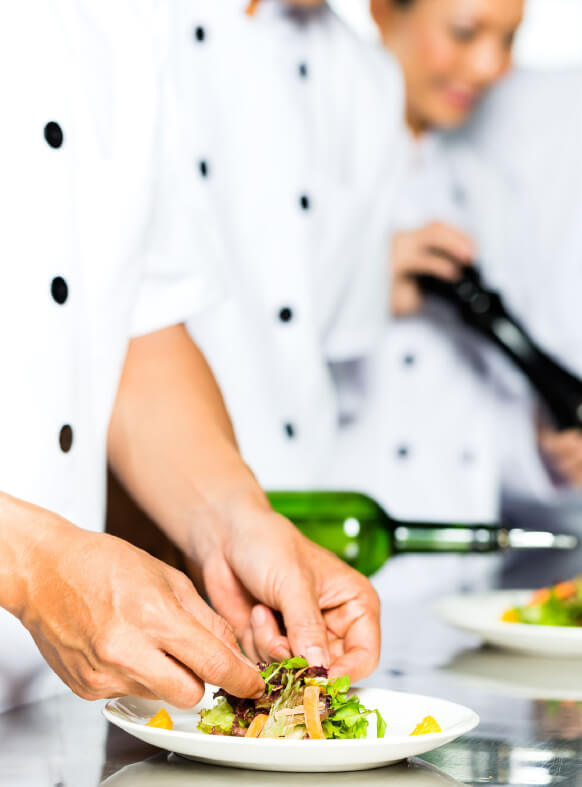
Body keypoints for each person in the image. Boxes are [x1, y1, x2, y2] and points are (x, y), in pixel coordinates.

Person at [0, 0, 381, 714]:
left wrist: (232, 518)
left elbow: (136, 320)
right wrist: (28, 564)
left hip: (34, 711)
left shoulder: (128, 18)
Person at [180, 0, 406, 490]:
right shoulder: (132, 29)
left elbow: (345, 349)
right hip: (129, 500)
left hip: (299, 484)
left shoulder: (369, 79)